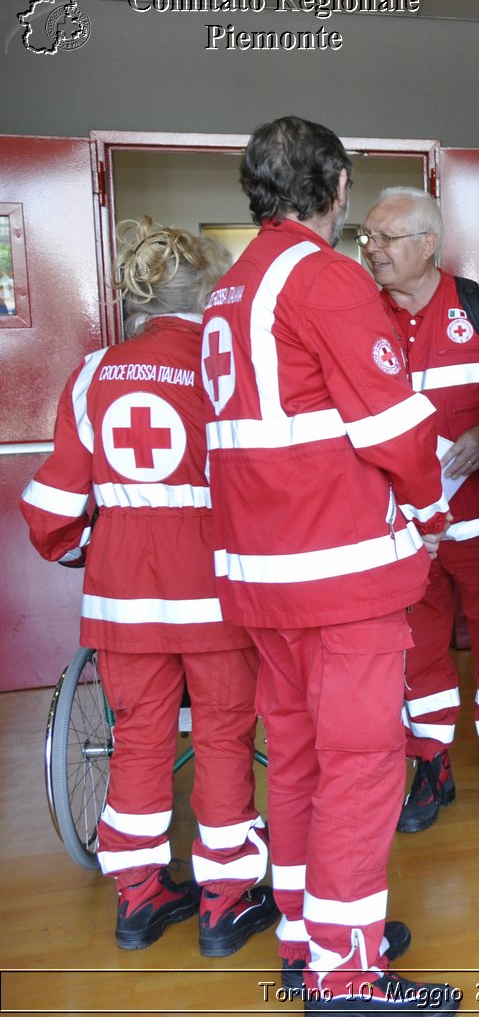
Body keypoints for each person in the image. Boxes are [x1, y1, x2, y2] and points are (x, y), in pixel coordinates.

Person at [202, 116, 459, 1015]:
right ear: (339, 186)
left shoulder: (228, 290)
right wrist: (431, 514)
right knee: (360, 764)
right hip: (338, 573)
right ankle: (347, 977)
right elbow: (396, 429)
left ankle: (309, 937)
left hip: (261, 576)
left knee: (305, 759)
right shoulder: (326, 279)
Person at [19, 220, 275, 957]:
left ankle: (137, 894)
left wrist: (76, 550)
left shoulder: (95, 372)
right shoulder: (228, 369)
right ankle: (224, 902)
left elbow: (54, 509)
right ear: (213, 293)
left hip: (122, 601)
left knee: (136, 739)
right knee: (225, 737)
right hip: (218, 599)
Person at [360, 186, 479, 833]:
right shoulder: (357, 314)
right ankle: (432, 762)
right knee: (419, 649)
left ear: (426, 243)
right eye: (369, 238)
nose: (372, 250)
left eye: (384, 239)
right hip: (403, 530)